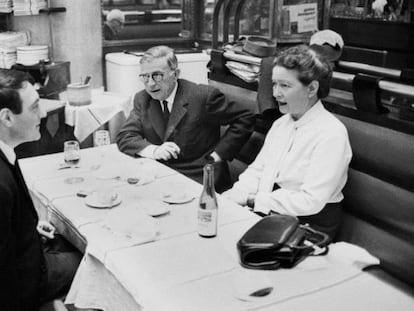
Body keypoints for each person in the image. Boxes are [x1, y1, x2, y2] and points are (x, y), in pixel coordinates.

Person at [223, 45, 352, 239]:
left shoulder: (332, 134)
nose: (275, 93)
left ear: (312, 88)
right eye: (274, 84)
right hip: (273, 215)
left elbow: (311, 201)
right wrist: (234, 195)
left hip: (311, 226)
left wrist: (251, 200)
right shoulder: (281, 124)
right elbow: (258, 170)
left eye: (285, 85)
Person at [116, 45, 255, 192]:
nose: (150, 83)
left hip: (199, 177)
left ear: (175, 74)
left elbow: (245, 117)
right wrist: (154, 151)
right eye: (145, 76)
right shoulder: (142, 98)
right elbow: (125, 136)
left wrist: (220, 154)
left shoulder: (203, 96)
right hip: (160, 176)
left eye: (157, 75)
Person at [0, 69, 81, 310]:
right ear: (6, 118)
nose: (44, 113)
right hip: (26, 283)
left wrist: (27, 229)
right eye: (35, 107)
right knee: (94, 263)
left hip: (26, 255)